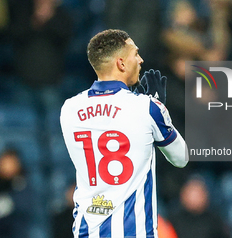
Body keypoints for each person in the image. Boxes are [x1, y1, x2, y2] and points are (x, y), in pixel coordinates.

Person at [60, 29, 188, 238]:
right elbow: (181, 158)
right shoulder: (148, 107)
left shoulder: (69, 108)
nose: (141, 59)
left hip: (86, 231)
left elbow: (106, 123)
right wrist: (160, 112)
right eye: (135, 54)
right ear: (121, 63)